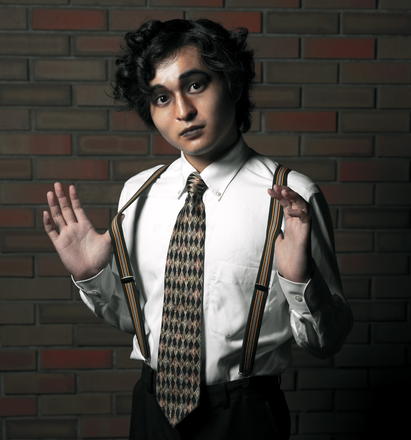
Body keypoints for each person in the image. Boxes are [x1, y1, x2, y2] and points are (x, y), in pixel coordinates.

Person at [43, 19, 353, 440]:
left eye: (195, 85)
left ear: (232, 83)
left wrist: (300, 280)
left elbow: (326, 342)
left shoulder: (292, 198)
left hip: (244, 415)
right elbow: (139, 321)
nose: (182, 112)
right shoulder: (137, 194)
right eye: (161, 97)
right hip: (152, 409)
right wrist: (93, 277)